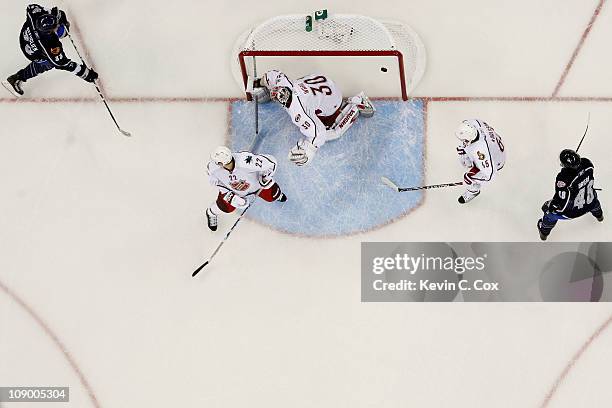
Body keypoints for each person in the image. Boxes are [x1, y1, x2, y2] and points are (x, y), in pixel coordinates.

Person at [252, 69, 375, 166]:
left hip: (333, 100)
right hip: (322, 81)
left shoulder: (298, 112)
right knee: (307, 93)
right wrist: (258, 83)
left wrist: (309, 150)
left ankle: (357, 103)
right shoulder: (283, 83)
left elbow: (318, 132)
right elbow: (272, 75)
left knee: (332, 131)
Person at [2, 4, 98, 97]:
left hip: (24, 38)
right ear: (49, 32)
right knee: (48, 64)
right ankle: (17, 77)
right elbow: (62, 63)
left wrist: (58, 15)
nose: (57, 26)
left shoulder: (33, 13)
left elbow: (32, 7)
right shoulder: (50, 45)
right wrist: (85, 73)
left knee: (61, 32)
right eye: (55, 27)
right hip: (33, 53)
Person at [205, 146, 287, 231]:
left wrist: (265, 177)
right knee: (225, 207)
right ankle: (211, 212)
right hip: (234, 191)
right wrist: (229, 196)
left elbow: (271, 162)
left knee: (273, 195)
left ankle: (278, 196)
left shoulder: (245, 161)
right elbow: (216, 183)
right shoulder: (213, 169)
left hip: (257, 186)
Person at [537, 149, 603, 240]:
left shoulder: (563, 178)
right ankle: (599, 216)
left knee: (549, 212)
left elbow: (562, 205)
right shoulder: (588, 163)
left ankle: (544, 232)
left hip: (572, 212)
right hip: (591, 202)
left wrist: (550, 206)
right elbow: (583, 175)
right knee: (594, 200)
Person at [455, 119, 506, 203]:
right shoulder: (475, 123)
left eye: (465, 140)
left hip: (497, 160)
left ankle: (473, 190)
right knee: (465, 159)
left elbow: (490, 175)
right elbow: (466, 121)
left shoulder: (481, 152)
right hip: (494, 147)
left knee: (469, 172)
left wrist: (472, 178)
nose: (463, 142)